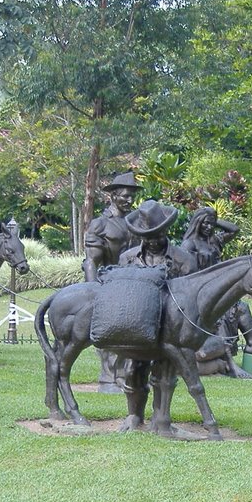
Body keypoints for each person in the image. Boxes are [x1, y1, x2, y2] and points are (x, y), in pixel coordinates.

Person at [117, 200, 196, 430]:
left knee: (165, 374)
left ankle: (161, 419)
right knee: (133, 370)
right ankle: (134, 416)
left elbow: (191, 299)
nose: (151, 241)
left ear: (166, 231)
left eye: (156, 235)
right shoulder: (127, 258)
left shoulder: (184, 260)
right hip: (137, 326)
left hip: (170, 329)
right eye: (146, 236)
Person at [181, 206, 252, 376]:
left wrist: (214, 217)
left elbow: (234, 230)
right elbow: (187, 273)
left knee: (241, 307)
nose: (209, 227)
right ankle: (230, 363)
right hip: (201, 292)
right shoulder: (189, 244)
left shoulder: (214, 241)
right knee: (219, 316)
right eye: (205, 223)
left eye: (211, 224)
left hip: (219, 288)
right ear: (197, 223)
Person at [83, 172, 142, 392]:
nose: (129, 200)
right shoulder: (99, 225)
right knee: (109, 332)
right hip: (108, 283)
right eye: (125, 196)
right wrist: (94, 290)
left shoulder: (136, 221)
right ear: (113, 196)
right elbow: (91, 262)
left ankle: (127, 375)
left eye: (132, 197)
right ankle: (108, 377)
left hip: (134, 284)